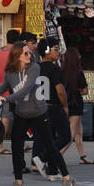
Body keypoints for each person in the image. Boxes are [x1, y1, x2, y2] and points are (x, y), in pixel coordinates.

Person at [0, 43, 72, 186]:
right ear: (17, 56)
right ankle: (18, 183)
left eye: (29, 53)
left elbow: (26, 88)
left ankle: (66, 178)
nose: (29, 55)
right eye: (25, 53)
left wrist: (7, 99)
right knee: (16, 147)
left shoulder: (34, 68)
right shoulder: (10, 72)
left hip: (38, 112)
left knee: (50, 145)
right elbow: (2, 88)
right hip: (21, 113)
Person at [33, 39, 70, 178]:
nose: (59, 51)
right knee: (65, 136)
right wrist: (65, 105)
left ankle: (53, 170)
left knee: (51, 138)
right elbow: (60, 91)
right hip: (53, 107)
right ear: (47, 50)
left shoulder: (35, 68)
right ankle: (42, 158)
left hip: (39, 108)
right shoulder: (55, 69)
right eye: (56, 49)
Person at [62, 46, 92, 164]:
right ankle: (58, 155)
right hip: (76, 103)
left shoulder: (61, 72)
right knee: (72, 132)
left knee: (79, 130)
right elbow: (85, 91)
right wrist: (77, 89)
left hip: (65, 102)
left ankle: (82, 155)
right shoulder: (78, 73)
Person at [0, 30, 21, 154]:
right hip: (12, 91)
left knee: (12, 118)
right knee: (6, 119)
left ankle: (20, 144)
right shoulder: (15, 54)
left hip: (1, 90)